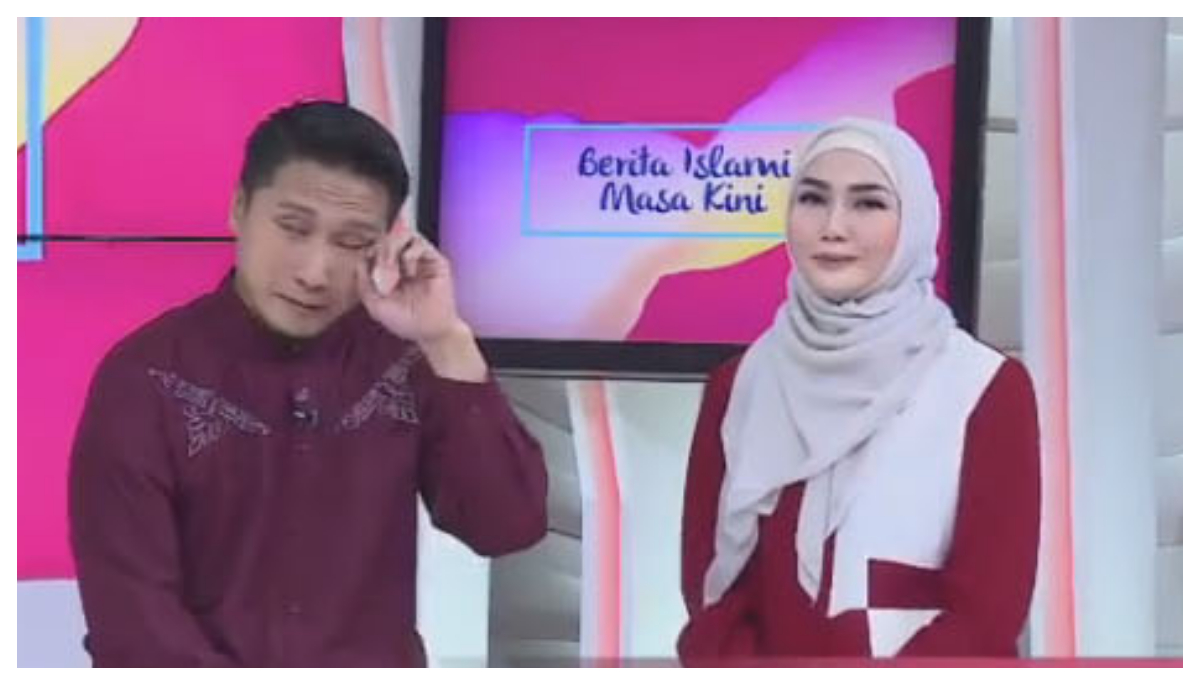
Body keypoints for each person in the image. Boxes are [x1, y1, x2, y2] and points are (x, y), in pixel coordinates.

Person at [68, 101, 549, 667]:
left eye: (351, 242)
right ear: (239, 208)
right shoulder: (147, 378)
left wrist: (446, 339)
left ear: (386, 244)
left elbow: (506, 525)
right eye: (293, 228)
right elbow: (135, 629)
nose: (314, 273)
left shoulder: (402, 360)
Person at [678, 118, 1041, 661]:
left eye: (868, 203)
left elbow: (986, 615)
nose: (833, 227)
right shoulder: (739, 385)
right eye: (812, 199)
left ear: (913, 221)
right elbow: (711, 598)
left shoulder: (986, 388)